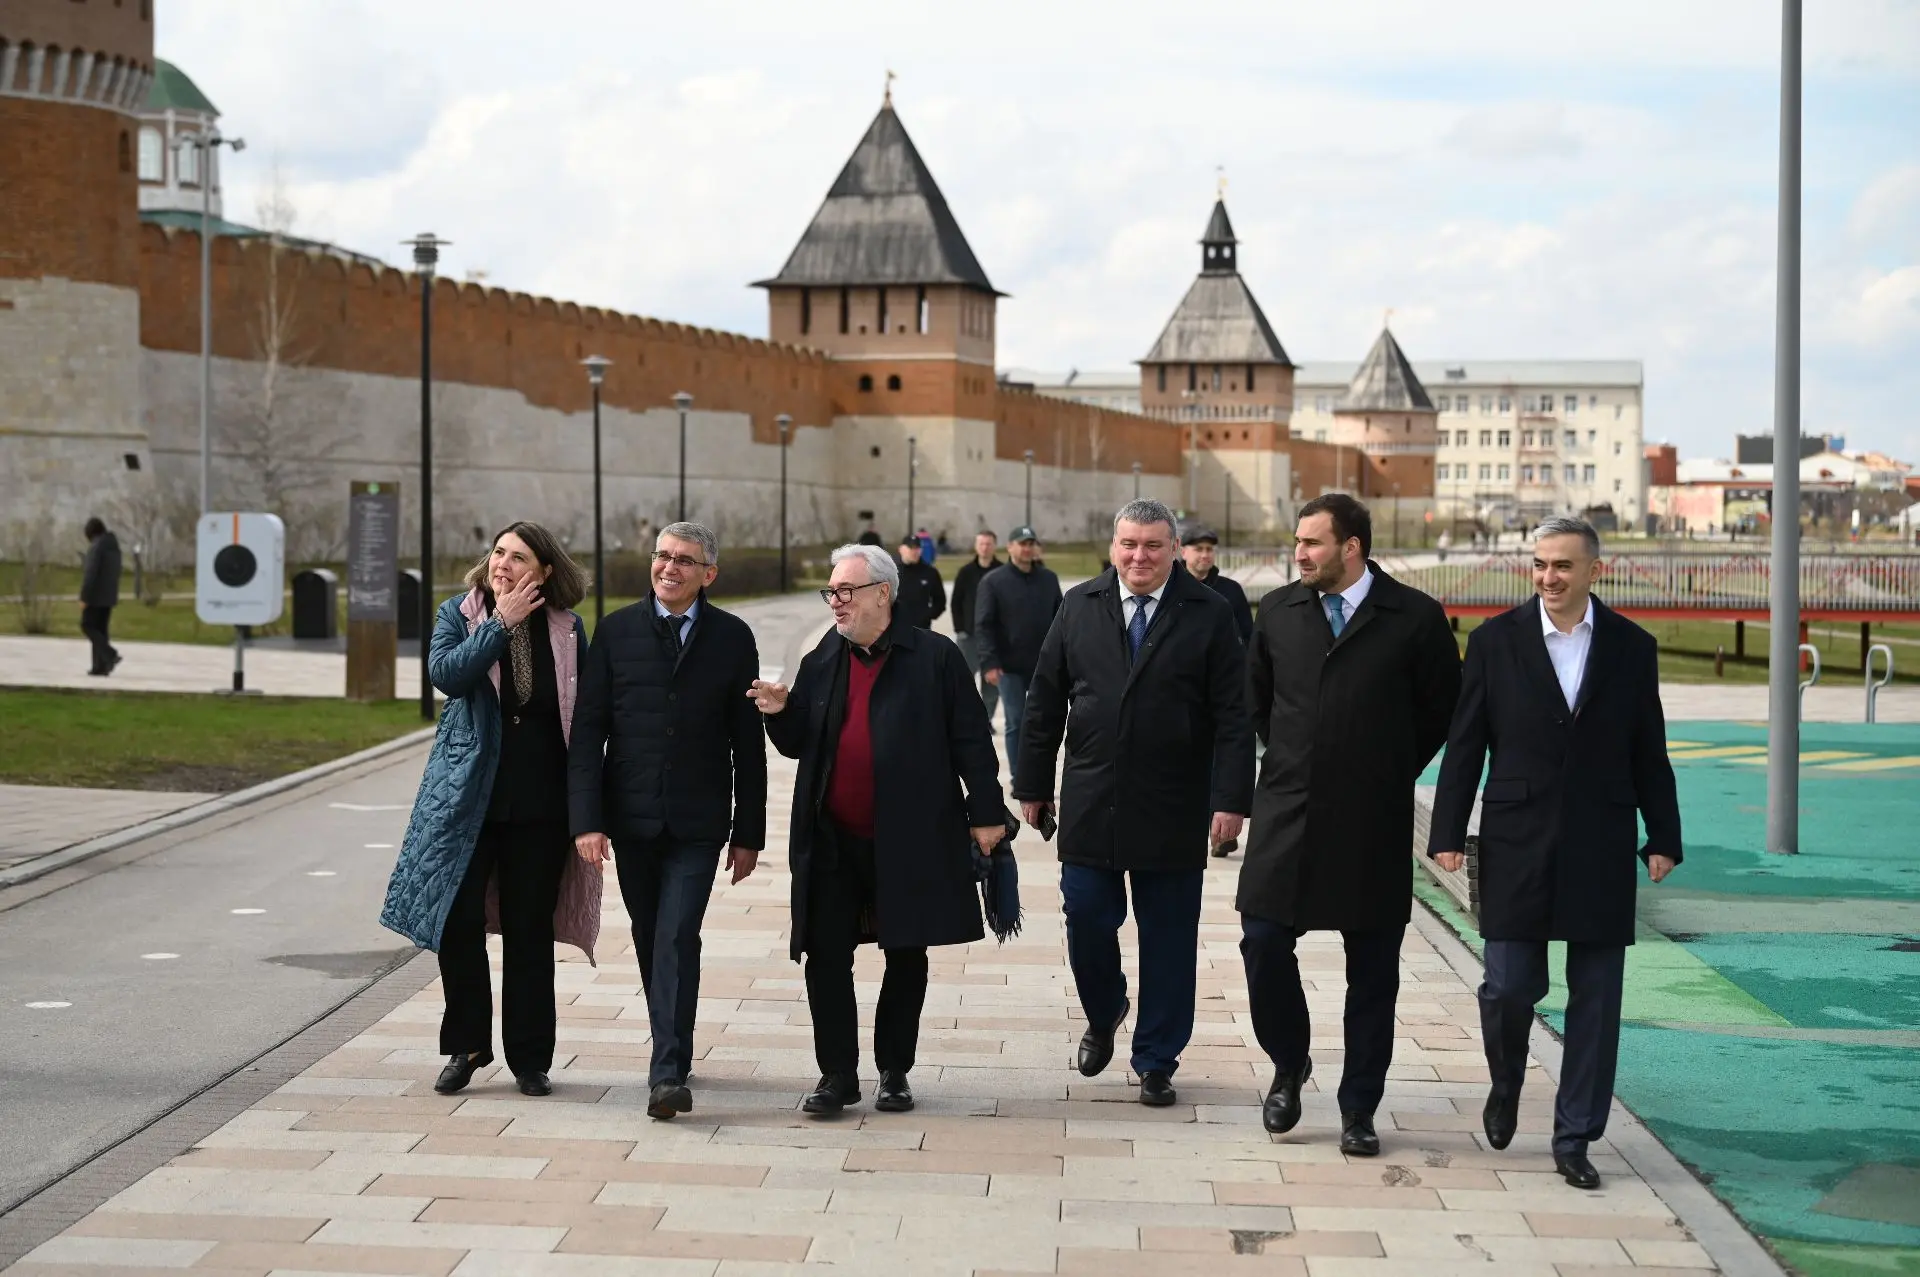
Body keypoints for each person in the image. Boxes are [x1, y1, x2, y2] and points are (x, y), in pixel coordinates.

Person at [1428, 516, 1681, 1191]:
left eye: (1563, 565)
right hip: (1516, 836)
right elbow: (1466, 743)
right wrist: (1447, 830)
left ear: (1596, 570)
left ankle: (1575, 1137)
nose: (1548, 576)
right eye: (1540, 563)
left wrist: (1663, 834)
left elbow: (1648, 747)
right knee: (1508, 984)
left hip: (1601, 839)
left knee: (1596, 998)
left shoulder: (1632, 646)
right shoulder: (1494, 641)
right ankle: (1507, 1080)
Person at [1238, 494, 1460, 1156]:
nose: (1299, 553)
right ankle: (1289, 1063)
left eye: (1311, 542)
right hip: (1287, 813)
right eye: (1297, 541)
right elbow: (1258, 703)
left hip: (1372, 820)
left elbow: (1441, 710)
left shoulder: (1415, 617)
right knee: (1262, 941)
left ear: (1352, 547)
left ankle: (1359, 1106)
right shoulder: (1278, 611)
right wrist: (1296, 761)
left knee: (1373, 972)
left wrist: (1385, 767)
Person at [748, 544, 1004, 1116]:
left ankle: (894, 1071)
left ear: (883, 594)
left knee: (906, 953)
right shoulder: (823, 657)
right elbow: (799, 743)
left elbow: (971, 740)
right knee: (825, 955)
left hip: (910, 837)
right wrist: (780, 713)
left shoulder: (934, 657)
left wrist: (987, 813)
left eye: (846, 591)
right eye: (831, 592)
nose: (835, 602)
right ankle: (837, 1076)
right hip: (832, 839)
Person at [1015, 500, 1254, 1107]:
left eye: (1152, 545)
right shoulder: (1079, 605)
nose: (1139, 557)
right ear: (1113, 546)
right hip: (1092, 796)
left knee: (1169, 939)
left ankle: (1156, 1059)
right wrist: (1033, 785)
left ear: (1174, 549)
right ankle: (1105, 1009)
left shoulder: (1209, 612)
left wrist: (1230, 798)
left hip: (1174, 801)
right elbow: (1044, 701)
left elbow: (1234, 714)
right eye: (1129, 544)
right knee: (1086, 917)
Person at [381, 521, 602, 1099]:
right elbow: (447, 676)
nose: (503, 563)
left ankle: (530, 1058)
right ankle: (468, 1045)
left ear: (544, 571)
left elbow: (582, 718)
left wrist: (589, 805)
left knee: (530, 930)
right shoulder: (460, 614)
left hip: (541, 805)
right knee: (457, 922)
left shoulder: (567, 627)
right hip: (467, 799)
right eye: (499, 552)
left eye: (518, 557)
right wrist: (499, 623)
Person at [568, 521, 767, 1122]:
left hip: (699, 820)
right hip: (632, 818)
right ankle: (672, 1044)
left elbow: (747, 743)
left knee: (678, 933)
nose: (669, 567)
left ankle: (668, 1072)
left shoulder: (733, 637)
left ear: (709, 574)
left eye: (684, 559)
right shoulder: (617, 631)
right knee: (652, 934)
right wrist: (587, 820)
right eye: (662, 556)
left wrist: (748, 833)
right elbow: (589, 732)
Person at [1178, 521, 1252, 858]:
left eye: (1210, 549)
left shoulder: (1230, 591)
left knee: (1221, 756)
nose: (1205, 555)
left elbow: (1249, 637)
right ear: (1183, 551)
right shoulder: (1171, 588)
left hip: (1222, 687)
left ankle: (1218, 828)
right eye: (1199, 549)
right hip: (1181, 688)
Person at [972, 526, 1062, 765]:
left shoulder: (1048, 579)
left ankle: (1037, 773)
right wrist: (989, 662)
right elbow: (984, 625)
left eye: (1031, 544)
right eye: (1022, 544)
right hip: (1008, 666)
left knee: (1042, 722)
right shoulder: (993, 582)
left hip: (1042, 665)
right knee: (1016, 721)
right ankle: (1018, 776)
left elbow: (1061, 620)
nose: (1027, 548)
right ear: (1010, 547)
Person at [949, 531, 1003, 722]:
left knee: (992, 683)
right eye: (981, 544)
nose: (985, 547)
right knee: (963, 681)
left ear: (994, 546)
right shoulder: (966, 572)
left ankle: (986, 721)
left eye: (988, 544)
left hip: (994, 638)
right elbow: (956, 602)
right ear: (976, 546)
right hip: (969, 636)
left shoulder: (1002, 572)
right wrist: (960, 629)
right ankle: (966, 720)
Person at [79, 516, 122, 676]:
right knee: (101, 630)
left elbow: (91, 573)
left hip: (95, 595)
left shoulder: (96, 548)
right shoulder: (114, 547)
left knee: (87, 625)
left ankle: (110, 654)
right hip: (109, 595)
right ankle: (101, 666)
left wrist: (84, 597)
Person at [894, 534, 947, 630]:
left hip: (921, 629)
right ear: (901, 549)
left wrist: (927, 616)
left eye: (917, 548)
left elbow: (940, 600)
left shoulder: (930, 572)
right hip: (896, 628)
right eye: (911, 548)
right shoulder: (891, 571)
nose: (914, 551)